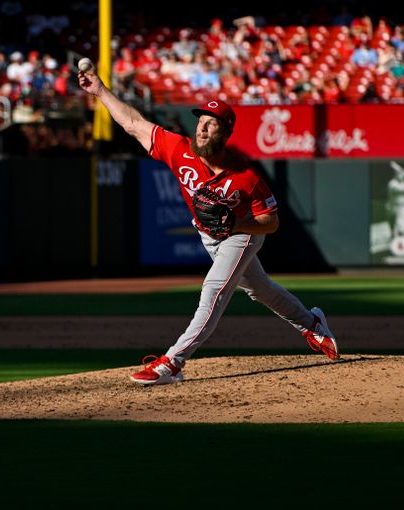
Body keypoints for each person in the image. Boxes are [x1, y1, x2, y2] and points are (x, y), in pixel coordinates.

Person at [77, 68, 339, 386]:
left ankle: (172, 362)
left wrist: (238, 223)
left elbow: (272, 222)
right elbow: (134, 124)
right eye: (201, 121)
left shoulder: (245, 176)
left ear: (223, 132)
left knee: (214, 290)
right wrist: (102, 91)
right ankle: (311, 323)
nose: (202, 127)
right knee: (260, 290)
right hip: (208, 235)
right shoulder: (180, 150)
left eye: (210, 123)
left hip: (242, 234)